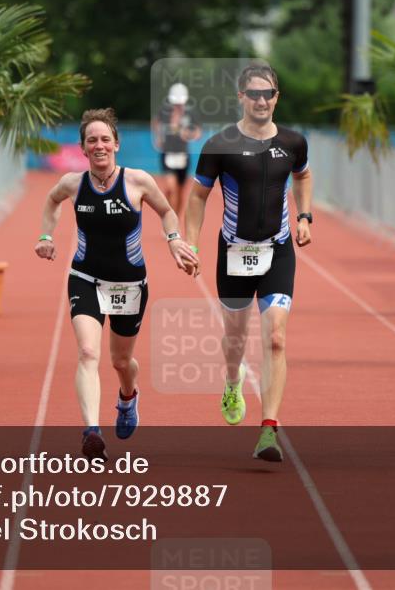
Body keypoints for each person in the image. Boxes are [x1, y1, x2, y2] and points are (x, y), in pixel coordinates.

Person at [36, 108, 198, 460]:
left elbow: (167, 211)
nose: (99, 146)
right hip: (85, 279)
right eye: (91, 140)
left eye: (105, 139)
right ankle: (92, 432)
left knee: (121, 361)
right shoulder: (73, 184)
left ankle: (128, 396)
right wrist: (46, 235)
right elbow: (51, 201)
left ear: (116, 145)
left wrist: (173, 240)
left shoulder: (137, 181)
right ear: (82, 148)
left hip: (129, 285)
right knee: (88, 353)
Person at [183, 64, 313, 462]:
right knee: (236, 339)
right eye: (253, 94)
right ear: (240, 97)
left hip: (278, 250)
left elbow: (303, 177)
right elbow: (196, 199)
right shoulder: (219, 144)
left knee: (275, 337)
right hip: (234, 252)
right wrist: (190, 244)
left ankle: (269, 429)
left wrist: (304, 216)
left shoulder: (293, 141)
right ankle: (232, 380)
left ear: (277, 97)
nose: (261, 101)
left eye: (268, 94)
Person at [152, 83, 202, 218]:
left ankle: (175, 218)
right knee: (170, 188)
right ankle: (169, 218)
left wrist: (189, 135)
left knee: (179, 191)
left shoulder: (190, 113)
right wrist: (157, 137)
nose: (178, 105)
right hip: (167, 153)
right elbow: (155, 122)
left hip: (183, 155)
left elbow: (198, 132)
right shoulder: (164, 111)